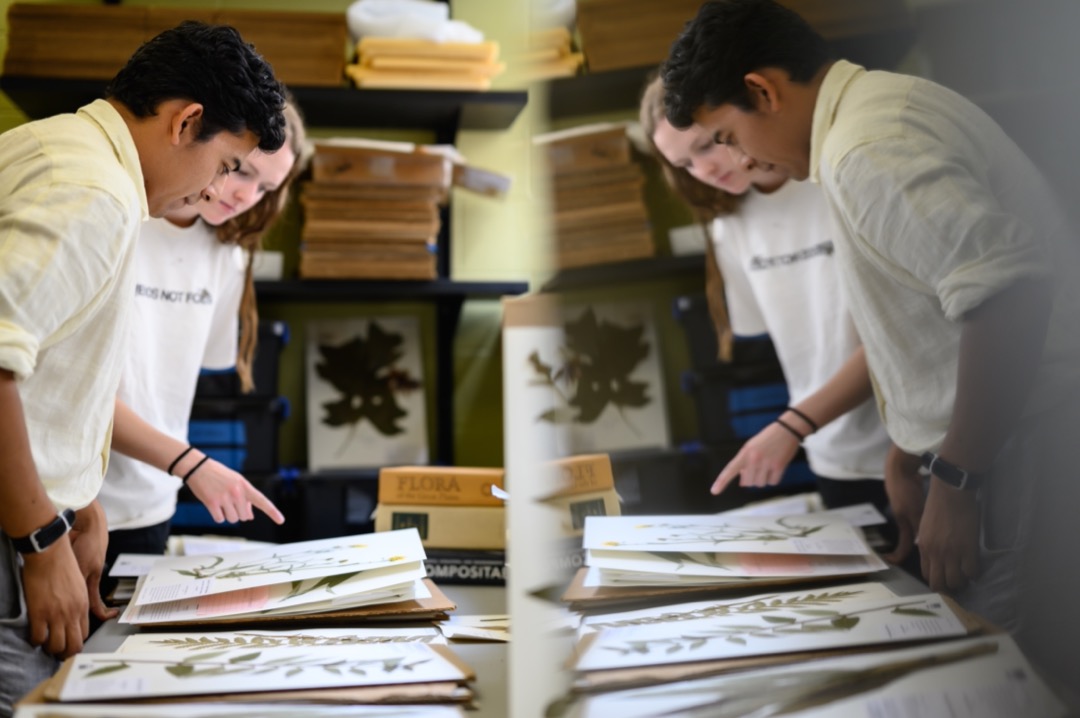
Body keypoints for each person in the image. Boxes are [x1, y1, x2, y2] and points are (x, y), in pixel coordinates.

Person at [660, 0, 1080, 679]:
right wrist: (907, 450)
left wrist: (957, 477)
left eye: (725, 136)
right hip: (990, 448)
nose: (734, 159)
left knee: (1012, 676)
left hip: (1013, 450)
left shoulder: (866, 147)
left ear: (761, 91)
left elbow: (1007, 296)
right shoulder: (878, 111)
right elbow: (931, 313)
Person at [0, 21, 285, 714]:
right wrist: (41, 540)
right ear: (188, 121)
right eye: (226, 166)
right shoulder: (95, 193)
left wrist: (81, 500)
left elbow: (46, 366)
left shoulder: (47, 144)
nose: (220, 190)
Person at [639, 76, 898, 545]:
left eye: (706, 145)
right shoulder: (729, 228)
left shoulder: (833, 177)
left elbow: (898, 334)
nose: (704, 169)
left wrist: (792, 425)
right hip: (832, 455)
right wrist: (801, 428)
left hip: (908, 441)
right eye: (684, 163)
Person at [96, 99, 311, 591]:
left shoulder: (227, 256)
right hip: (71, 497)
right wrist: (191, 462)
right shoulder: (120, 213)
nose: (246, 196)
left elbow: (165, 385)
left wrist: (181, 465)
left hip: (151, 500)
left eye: (267, 188)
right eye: (242, 172)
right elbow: (69, 386)